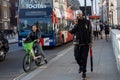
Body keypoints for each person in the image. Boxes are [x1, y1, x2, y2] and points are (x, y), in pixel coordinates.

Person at [69, 10, 92, 79]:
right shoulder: (74, 22)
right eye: (77, 14)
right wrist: (75, 24)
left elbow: (90, 32)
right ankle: (81, 66)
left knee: (84, 58)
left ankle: (84, 72)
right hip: (77, 43)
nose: (78, 16)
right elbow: (71, 31)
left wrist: (91, 42)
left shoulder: (87, 22)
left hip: (85, 43)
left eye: (79, 14)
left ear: (82, 14)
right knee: (76, 57)